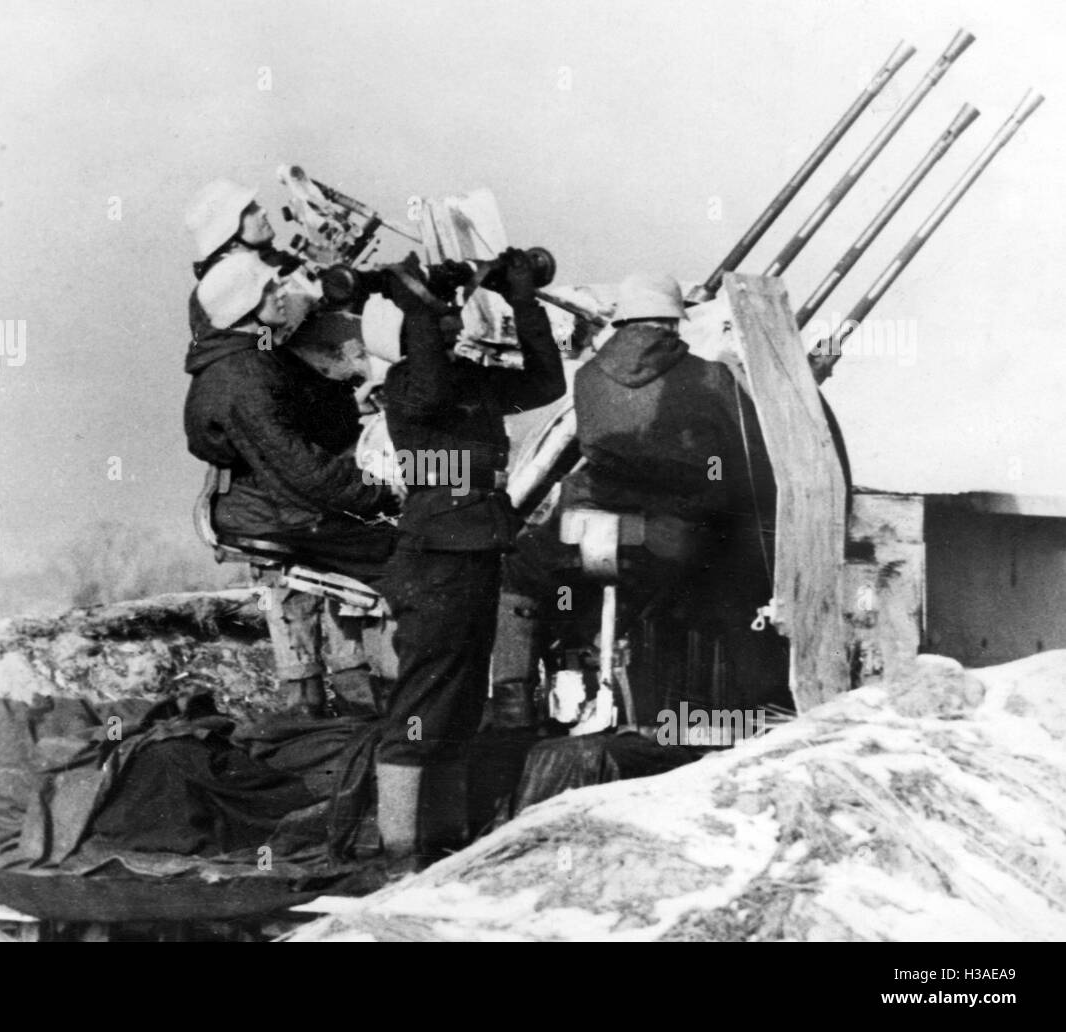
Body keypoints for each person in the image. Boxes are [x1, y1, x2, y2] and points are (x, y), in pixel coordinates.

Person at [491, 272, 780, 726]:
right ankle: (763, 707)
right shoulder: (710, 376)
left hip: (590, 525)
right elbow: (749, 456)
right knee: (738, 583)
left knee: (519, 577)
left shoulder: (587, 377)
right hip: (675, 532)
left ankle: (511, 693)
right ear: (672, 322)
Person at [375, 251, 566, 864]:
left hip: (475, 549)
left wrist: (523, 301)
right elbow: (428, 380)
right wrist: (417, 306)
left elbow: (547, 383)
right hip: (435, 556)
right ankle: (400, 849)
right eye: (439, 319)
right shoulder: (407, 386)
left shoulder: (469, 382)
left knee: (458, 702)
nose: (452, 321)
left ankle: (445, 839)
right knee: (423, 702)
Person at [183, 248, 399, 717]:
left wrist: (351, 398)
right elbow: (303, 474)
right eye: (269, 289)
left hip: (266, 501)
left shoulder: (250, 357)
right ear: (246, 304)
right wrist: (383, 494)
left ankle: (375, 708)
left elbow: (305, 411)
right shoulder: (244, 377)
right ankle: (399, 710)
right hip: (280, 512)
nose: (283, 294)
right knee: (410, 558)